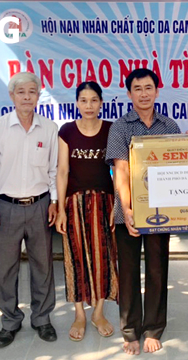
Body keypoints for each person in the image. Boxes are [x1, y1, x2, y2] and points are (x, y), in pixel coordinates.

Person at [0, 72, 59, 348]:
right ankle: (10, 321)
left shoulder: (49, 129)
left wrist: (56, 202)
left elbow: (54, 170)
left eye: (32, 92)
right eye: (21, 92)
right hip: (6, 208)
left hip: (40, 206)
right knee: (5, 269)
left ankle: (42, 318)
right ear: (12, 96)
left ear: (38, 96)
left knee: (43, 266)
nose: (27, 97)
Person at [105, 68, 181, 355]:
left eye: (149, 87)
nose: (144, 93)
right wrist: (127, 210)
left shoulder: (169, 126)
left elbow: (177, 171)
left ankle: (152, 328)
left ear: (157, 91)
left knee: (157, 270)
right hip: (128, 211)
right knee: (128, 273)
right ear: (129, 94)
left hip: (161, 212)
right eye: (138, 88)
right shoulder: (120, 127)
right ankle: (129, 330)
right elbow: (120, 170)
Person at [55, 81, 118, 341]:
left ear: (101, 103)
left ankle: (99, 312)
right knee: (76, 258)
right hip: (74, 204)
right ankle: (80, 313)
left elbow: (118, 171)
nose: (89, 105)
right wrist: (60, 209)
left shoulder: (111, 130)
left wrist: (118, 205)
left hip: (104, 204)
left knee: (104, 257)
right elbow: (62, 172)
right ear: (77, 103)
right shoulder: (67, 131)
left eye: (94, 100)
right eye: (83, 100)